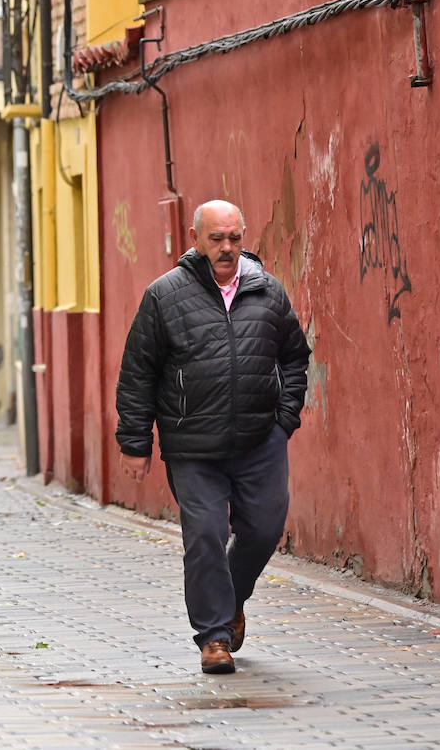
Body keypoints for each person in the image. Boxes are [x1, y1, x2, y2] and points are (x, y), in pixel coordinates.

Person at [115, 199, 311, 675]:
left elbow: (295, 357)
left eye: (234, 238)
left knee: (264, 529)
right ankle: (215, 638)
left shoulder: (268, 291)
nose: (226, 248)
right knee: (204, 535)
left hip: (260, 439)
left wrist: (284, 419)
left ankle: (232, 596)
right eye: (216, 239)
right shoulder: (164, 296)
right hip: (192, 445)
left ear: (244, 237)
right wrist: (135, 442)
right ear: (195, 238)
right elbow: (138, 373)